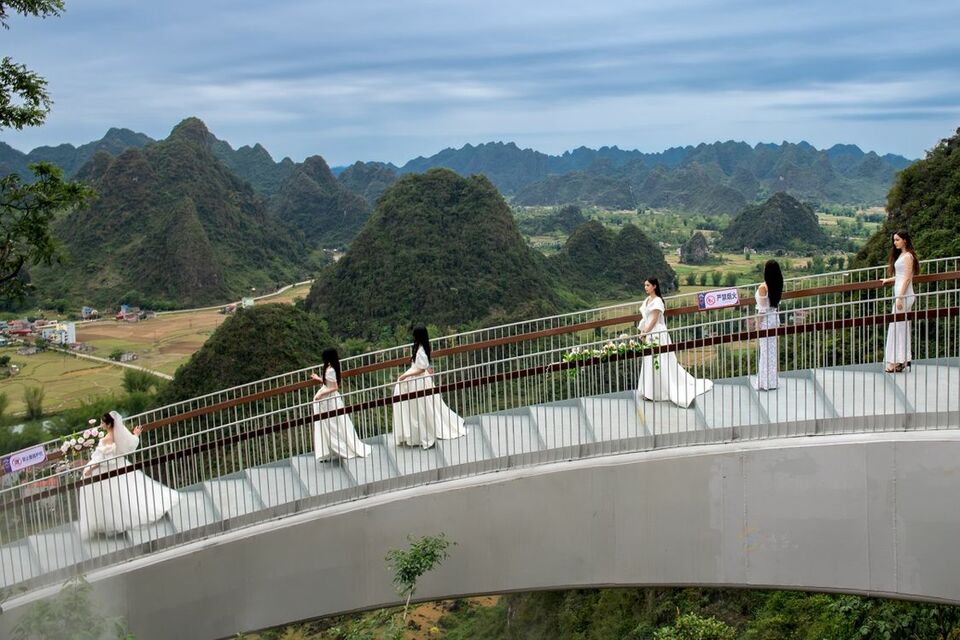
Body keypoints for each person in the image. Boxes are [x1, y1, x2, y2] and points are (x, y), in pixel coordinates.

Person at [78, 411, 180, 538]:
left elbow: (106, 459)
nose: (101, 425)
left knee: (113, 494)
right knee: (121, 492)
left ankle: (108, 521)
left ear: (109, 424)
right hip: (116, 466)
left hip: (105, 469)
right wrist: (135, 435)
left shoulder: (109, 438)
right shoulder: (115, 435)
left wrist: (91, 469)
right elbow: (129, 444)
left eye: (102, 422)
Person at [636, 278, 713, 408]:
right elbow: (646, 318)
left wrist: (645, 332)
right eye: (645, 285)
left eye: (648, 285)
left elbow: (654, 319)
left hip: (657, 333)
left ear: (654, 286)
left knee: (660, 361)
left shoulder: (658, 301)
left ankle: (658, 391)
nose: (646, 287)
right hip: (649, 333)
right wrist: (643, 331)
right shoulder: (647, 300)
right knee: (649, 360)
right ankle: (650, 391)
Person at [393, 326, 466, 448]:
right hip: (419, 378)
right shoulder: (421, 348)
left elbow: (420, 369)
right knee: (426, 406)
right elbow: (424, 366)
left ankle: (423, 432)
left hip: (419, 380)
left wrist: (404, 376)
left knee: (422, 407)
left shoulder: (420, 350)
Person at [310, 348, 371, 460]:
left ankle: (341, 449)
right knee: (332, 425)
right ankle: (334, 449)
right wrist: (319, 379)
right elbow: (328, 383)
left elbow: (334, 387)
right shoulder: (330, 368)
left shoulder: (331, 370)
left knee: (333, 426)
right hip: (327, 400)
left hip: (329, 401)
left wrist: (321, 393)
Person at [881, 229, 919, 372]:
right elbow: (902, 276)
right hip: (901, 295)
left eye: (897, 240)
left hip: (904, 296)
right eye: (894, 240)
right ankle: (900, 361)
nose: (895, 242)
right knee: (900, 327)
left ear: (905, 240)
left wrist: (900, 297)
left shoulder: (908, 256)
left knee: (897, 327)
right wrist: (888, 280)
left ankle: (895, 362)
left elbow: (908, 278)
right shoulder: (903, 255)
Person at [753, 260, 784, 390]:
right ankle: (771, 382)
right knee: (771, 352)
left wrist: (757, 324)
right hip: (774, 318)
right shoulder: (777, 285)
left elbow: (762, 310)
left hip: (765, 320)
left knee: (765, 352)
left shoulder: (762, 288)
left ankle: (764, 383)